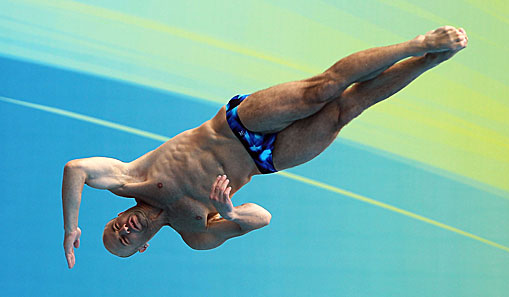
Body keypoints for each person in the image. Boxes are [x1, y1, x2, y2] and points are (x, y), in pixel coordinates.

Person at [62, 26, 468, 268]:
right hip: (266, 158)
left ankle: (416, 45)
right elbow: (260, 219)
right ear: (143, 246)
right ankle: (429, 61)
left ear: (119, 215)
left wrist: (71, 228)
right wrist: (228, 211)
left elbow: (75, 169)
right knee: (345, 109)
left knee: (322, 90)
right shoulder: (195, 234)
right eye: (126, 242)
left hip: (237, 125)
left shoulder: (129, 180)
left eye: (116, 229)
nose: (125, 232)